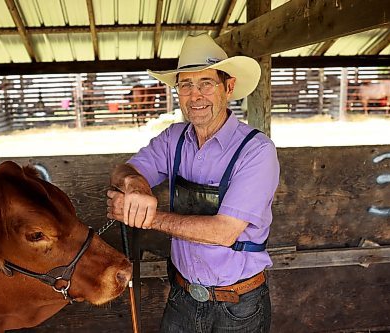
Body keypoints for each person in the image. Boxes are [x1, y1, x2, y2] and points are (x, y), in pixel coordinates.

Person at [106, 33, 280, 333]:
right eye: (185, 85)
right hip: (182, 298)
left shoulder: (257, 151)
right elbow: (125, 169)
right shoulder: (173, 139)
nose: (195, 95)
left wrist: (146, 217)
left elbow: (224, 232)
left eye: (206, 84)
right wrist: (134, 184)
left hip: (238, 306)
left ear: (229, 87)